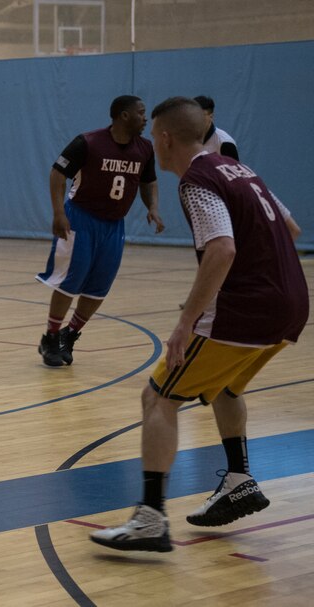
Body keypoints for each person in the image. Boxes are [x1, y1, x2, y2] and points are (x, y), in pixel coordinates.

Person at [90, 97, 308, 553]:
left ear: (166, 138)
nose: (152, 143)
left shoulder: (197, 180)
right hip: (292, 305)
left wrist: (187, 320)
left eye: (153, 135)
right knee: (226, 386)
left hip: (246, 312)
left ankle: (150, 519)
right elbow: (290, 230)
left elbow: (223, 248)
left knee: (158, 396)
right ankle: (239, 480)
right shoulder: (242, 171)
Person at [36, 95, 164, 367]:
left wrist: (152, 207)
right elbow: (57, 173)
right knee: (70, 281)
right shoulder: (88, 142)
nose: (145, 118)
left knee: (99, 287)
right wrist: (59, 212)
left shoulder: (145, 149)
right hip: (80, 219)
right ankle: (51, 336)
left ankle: (70, 336)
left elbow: (149, 181)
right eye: (141, 113)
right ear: (124, 115)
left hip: (114, 225)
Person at [193, 95, 239, 161]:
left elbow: (233, 171)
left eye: (201, 115)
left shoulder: (225, 143)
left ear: (211, 116)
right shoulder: (187, 139)